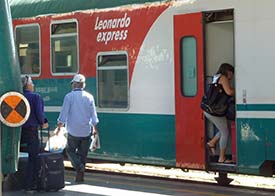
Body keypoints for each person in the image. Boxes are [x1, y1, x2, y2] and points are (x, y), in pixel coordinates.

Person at [56, 74, 99, 182]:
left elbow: (63, 114)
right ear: (83, 85)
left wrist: (59, 127)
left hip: (73, 131)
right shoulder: (90, 97)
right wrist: (95, 128)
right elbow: (94, 116)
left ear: (74, 84)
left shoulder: (69, 97)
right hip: (86, 131)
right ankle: (80, 177)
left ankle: (79, 166)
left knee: (70, 150)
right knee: (83, 155)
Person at [21, 75, 48, 191]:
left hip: (19, 131)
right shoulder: (35, 97)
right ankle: (32, 184)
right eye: (32, 83)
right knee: (33, 158)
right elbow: (39, 114)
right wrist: (44, 122)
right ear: (28, 84)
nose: (33, 85)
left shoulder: (18, 97)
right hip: (32, 131)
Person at [204, 63, 235, 163]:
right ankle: (221, 158)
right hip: (215, 111)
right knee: (225, 132)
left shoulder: (216, 77)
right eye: (231, 73)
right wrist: (238, 90)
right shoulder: (223, 78)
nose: (232, 76)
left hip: (210, 109)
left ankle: (212, 143)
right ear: (227, 71)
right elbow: (229, 92)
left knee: (224, 129)